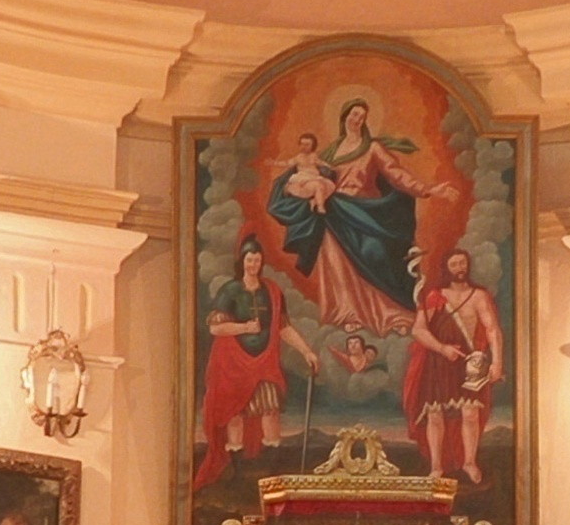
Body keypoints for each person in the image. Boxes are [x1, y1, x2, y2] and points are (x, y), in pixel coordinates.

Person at [271, 94, 423, 338]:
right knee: (335, 262)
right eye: (354, 114)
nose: (357, 119)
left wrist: (426, 190)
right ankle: (346, 315)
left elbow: (396, 174)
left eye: (362, 116)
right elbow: (309, 173)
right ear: (344, 117)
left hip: (366, 213)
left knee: (376, 255)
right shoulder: (330, 153)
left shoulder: (372, 148)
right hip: (334, 214)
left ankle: (390, 315)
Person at [404, 246, 505, 485]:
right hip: (438, 361)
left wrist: (497, 362)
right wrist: (441, 348)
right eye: (454, 264)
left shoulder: (478, 296)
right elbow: (418, 330)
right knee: (435, 415)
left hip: (469, 361)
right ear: (447, 269)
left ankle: (469, 462)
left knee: (470, 413)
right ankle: (436, 466)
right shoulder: (435, 295)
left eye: (463, 263)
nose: (460, 268)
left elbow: (492, 329)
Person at [195, 236, 288, 488]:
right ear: (242, 261)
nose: (253, 264)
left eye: (257, 259)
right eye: (249, 259)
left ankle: (271, 469)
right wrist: (244, 326)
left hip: (264, 363)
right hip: (234, 364)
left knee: (270, 409)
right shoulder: (231, 290)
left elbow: (282, 328)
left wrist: (307, 352)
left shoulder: (271, 291)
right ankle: (238, 472)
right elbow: (216, 328)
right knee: (235, 414)